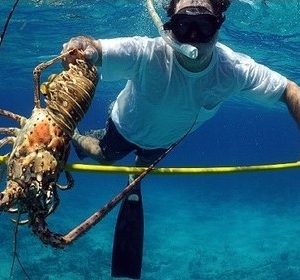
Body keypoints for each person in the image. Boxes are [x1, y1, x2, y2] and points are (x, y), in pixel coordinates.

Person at [62, 0, 300, 278]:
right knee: (104, 154)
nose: (194, 38)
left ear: (219, 24)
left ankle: (136, 172)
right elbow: (97, 48)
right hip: (125, 127)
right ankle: (79, 138)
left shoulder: (233, 69)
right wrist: (82, 46)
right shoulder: (146, 52)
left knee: (143, 165)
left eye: (204, 25)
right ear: (169, 27)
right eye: (185, 25)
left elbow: (289, 90)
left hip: (164, 143)